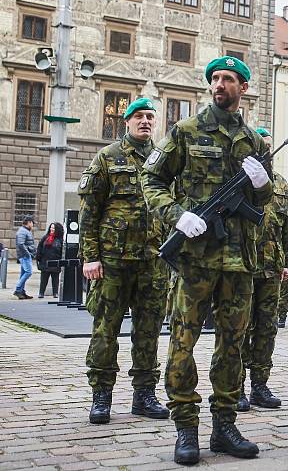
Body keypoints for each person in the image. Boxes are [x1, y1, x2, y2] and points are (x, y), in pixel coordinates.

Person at [142, 56, 272, 465]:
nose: (219, 84)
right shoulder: (186, 131)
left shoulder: (255, 142)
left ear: (242, 88)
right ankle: (185, 427)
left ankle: (224, 426)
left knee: (232, 347)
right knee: (183, 343)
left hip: (239, 264)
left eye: (228, 79)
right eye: (215, 78)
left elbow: (262, 203)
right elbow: (152, 179)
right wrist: (176, 214)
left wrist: (263, 185)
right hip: (196, 261)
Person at [78, 97, 170, 426]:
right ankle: (101, 395)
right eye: (139, 116)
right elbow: (89, 214)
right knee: (105, 331)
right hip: (113, 263)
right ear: (127, 121)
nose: (145, 121)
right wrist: (91, 257)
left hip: (152, 263)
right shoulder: (108, 157)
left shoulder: (163, 160)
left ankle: (144, 395)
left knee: (148, 333)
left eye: (150, 117)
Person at [238, 127, 288, 413]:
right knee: (239, 329)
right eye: (261, 148)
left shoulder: (281, 185)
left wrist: (287, 262)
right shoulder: (240, 182)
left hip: (272, 269)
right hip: (244, 266)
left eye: (268, 147)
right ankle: (237, 387)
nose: (266, 152)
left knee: (266, 329)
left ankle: (260, 384)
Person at [36, 222, 64, 298]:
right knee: (43, 279)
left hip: (55, 262)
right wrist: (38, 258)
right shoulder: (45, 237)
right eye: (51, 227)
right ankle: (41, 293)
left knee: (55, 279)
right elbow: (39, 248)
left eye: (53, 228)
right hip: (45, 261)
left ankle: (55, 293)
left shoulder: (60, 240)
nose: (52, 229)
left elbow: (62, 251)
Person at [13, 216, 35, 299]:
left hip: (24, 255)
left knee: (23, 273)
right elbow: (20, 244)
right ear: (29, 222)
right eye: (32, 223)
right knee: (28, 272)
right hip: (24, 256)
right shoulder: (23, 231)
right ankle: (18, 290)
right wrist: (28, 254)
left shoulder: (25, 230)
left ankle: (21, 292)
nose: (32, 225)